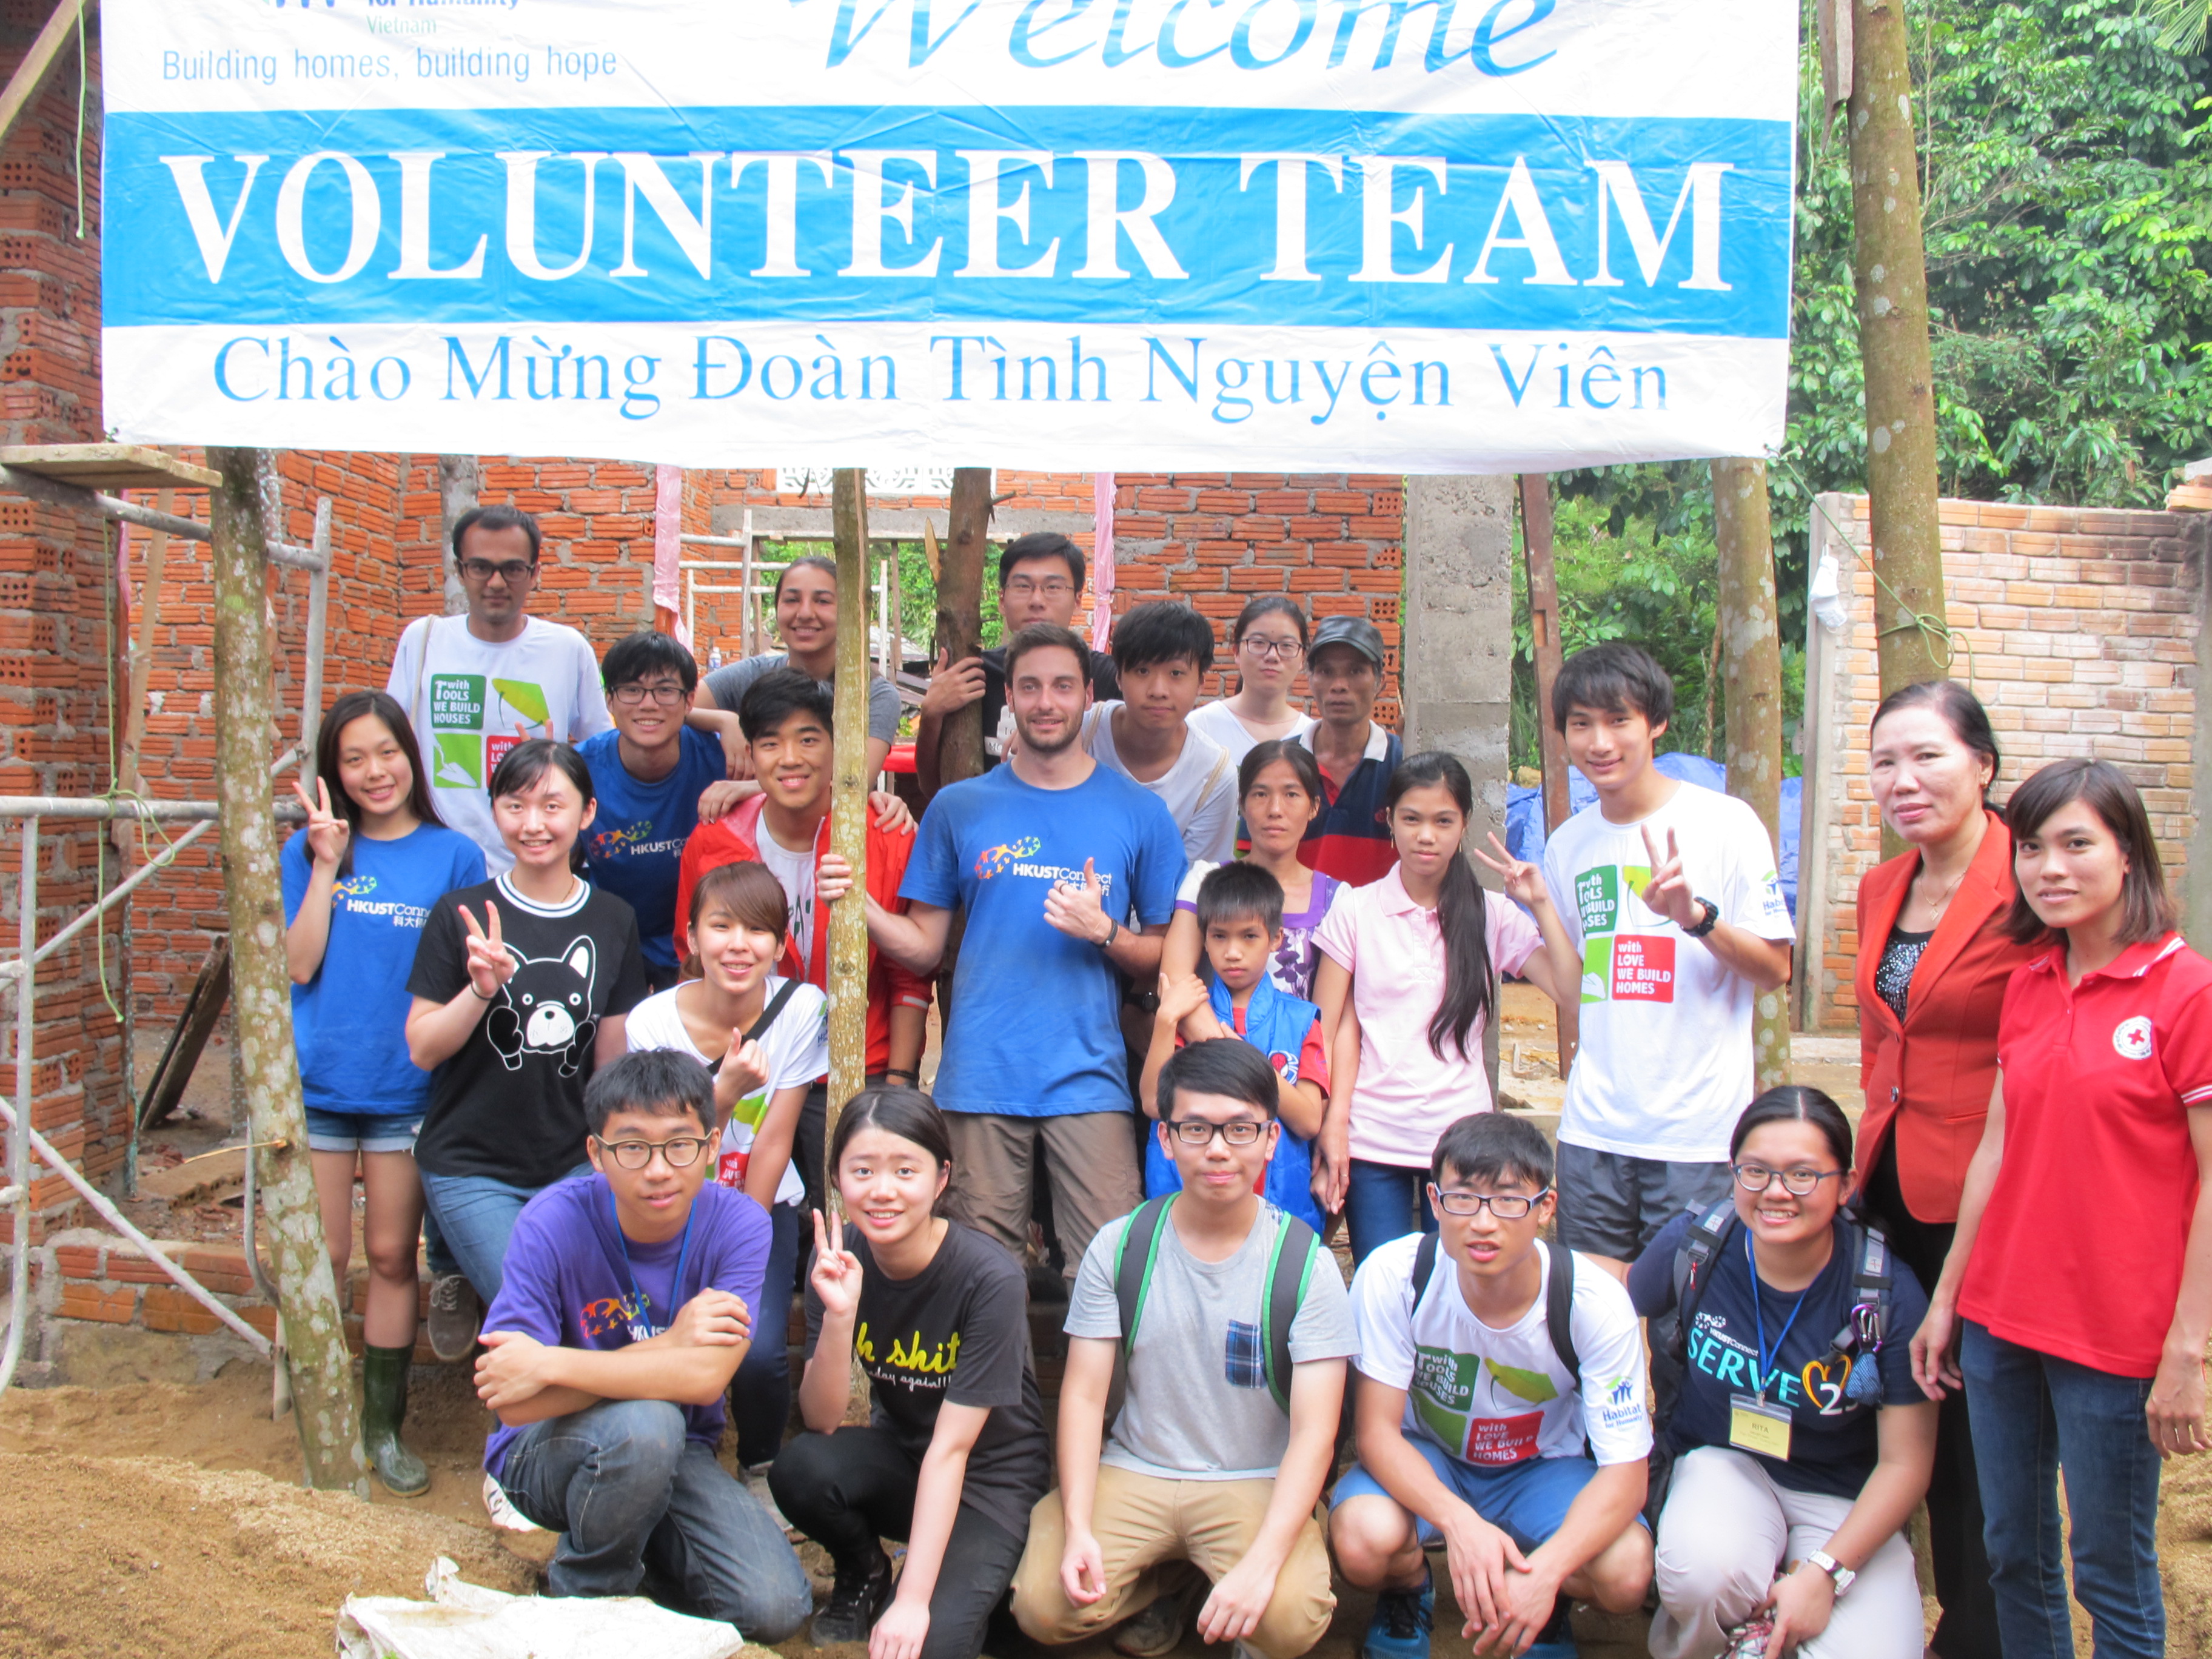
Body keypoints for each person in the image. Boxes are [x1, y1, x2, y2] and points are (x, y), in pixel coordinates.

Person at [1911, 758, 2212, 1659]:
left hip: (2116, 1335)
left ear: (2129, 855)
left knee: (2109, 1566)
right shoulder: (2032, 982)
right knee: (2012, 1551)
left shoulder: (2185, 990)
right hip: (2003, 1319)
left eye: (2077, 844)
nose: (2050, 868)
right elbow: (1996, 1151)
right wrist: (1947, 1300)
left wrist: (2188, 1349)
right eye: (2034, 847)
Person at [1011, 1039, 1352, 1659]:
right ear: (1166, 1139)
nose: (1218, 1148)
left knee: (1286, 1624)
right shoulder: (1120, 1246)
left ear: (1271, 1139)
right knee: (1042, 1606)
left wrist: (1263, 1564)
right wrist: (1081, 1526)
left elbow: (1314, 1434)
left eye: (1240, 1129)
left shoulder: (1305, 1263)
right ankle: (1172, 1580)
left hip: (1251, 1478)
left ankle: (1239, 1564)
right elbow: (1085, 1400)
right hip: (1137, 1468)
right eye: (1196, 1128)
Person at [868, 623, 1185, 1279]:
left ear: (1087, 695)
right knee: (986, 1278)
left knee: (1112, 1273)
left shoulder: (1139, 813)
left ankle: (1099, 1390)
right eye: (1031, 687)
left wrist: (1105, 932)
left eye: (1062, 686)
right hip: (980, 1074)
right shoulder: (959, 808)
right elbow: (925, 949)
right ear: (1009, 696)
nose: (1047, 702)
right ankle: (1000, 1391)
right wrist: (860, 908)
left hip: (1091, 1077)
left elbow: (1169, 958)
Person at [474, 1048, 813, 1641]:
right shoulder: (551, 1220)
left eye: (679, 1145)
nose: (658, 1169)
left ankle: (638, 1542)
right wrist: (672, 1346)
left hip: (676, 1451)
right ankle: (584, 1596)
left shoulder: (740, 1224)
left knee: (775, 1607)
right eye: (632, 1147)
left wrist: (550, 1363)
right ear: (596, 1155)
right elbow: (514, 1404)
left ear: (710, 1147)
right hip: (543, 1454)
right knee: (647, 1423)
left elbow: (704, 1381)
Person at [1628, 1087, 1935, 1659]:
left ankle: (1775, 1625)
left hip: (1843, 1498)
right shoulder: (1699, 1248)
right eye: (1756, 1171)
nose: (1774, 1192)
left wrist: (1825, 1574)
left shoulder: (1887, 1294)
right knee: (1702, 1573)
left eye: (1802, 1176)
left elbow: (1905, 1464)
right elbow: (1612, 1304)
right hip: (1726, 1466)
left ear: (1845, 1186)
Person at [1332, 1113, 1653, 1659]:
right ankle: (1410, 1590)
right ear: (1434, 1202)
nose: (1484, 1223)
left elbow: (1626, 1475)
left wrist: (1548, 1574)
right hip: (1433, 1460)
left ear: (1545, 1208)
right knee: (1363, 1541)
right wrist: (1459, 1524)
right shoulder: (1395, 1276)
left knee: (1625, 1574)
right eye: (1463, 1199)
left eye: (1509, 1201)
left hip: (1544, 1469)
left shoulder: (1591, 1300)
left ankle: (1538, 1602)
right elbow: (1376, 1434)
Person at [1851, 681, 2028, 1659]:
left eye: (1925, 756)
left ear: (1982, 764)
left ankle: (1979, 1631)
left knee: (1976, 1436)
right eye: (1884, 761)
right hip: (1887, 1189)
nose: (1902, 780)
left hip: (1990, 1197)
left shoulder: (2026, 884)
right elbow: (1886, 1045)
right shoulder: (1884, 885)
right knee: (1899, 1406)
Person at [281, 689, 484, 1496]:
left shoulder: (454, 856)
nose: (375, 771)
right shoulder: (313, 849)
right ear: (334, 770)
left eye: (387, 752)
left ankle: (383, 1429)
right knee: (323, 1258)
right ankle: (323, 1423)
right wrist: (327, 864)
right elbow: (298, 966)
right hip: (325, 1082)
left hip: (408, 1088)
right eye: (354, 758)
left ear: (412, 754)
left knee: (393, 1256)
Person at [770, 1088, 1052, 1659]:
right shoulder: (840, 1256)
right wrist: (839, 1317)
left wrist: (915, 1601)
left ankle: (973, 1593)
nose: (883, 1190)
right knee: (802, 1468)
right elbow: (822, 1418)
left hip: (989, 1482)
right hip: (904, 1459)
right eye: (863, 1170)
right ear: (837, 1176)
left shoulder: (988, 1277)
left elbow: (952, 1450)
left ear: (941, 1178)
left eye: (905, 1170)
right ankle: (865, 1572)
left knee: (927, 1644)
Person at [1538, 643, 1793, 1272]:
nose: (1599, 742)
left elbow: (1775, 970)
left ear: (1655, 723)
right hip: (1593, 1132)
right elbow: (1578, 989)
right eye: (1581, 724)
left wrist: (1695, 918)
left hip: (1696, 1136)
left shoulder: (1726, 824)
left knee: (1682, 1325)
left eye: (1619, 720)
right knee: (1593, 1326)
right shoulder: (1568, 845)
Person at [406, 739, 651, 1341]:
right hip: (471, 1167)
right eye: (515, 806)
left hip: (571, 1166)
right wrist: (481, 990)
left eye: (552, 805)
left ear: (587, 814)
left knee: (603, 1321)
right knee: (541, 1316)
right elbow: (423, 1048)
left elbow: (610, 1064)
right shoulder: (460, 914)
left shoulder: (613, 919)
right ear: (495, 812)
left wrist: (615, 1168)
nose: (534, 824)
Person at [672, 668, 931, 1215]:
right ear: (751, 752)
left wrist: (900, 1083)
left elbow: (909, 977)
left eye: (809, 740)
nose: (790, 758)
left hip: (855, 1067)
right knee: (742, 1226)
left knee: (850, 1229)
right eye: (770, 743)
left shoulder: (880, 834)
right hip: (745, 1068)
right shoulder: (716, 839)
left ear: (840, 747)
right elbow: (690, 960)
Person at [1312, 752, 1579, 1264]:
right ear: (1388, 821)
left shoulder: (1491, 914)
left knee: (1459, 1290)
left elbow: (1570, 991)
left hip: (1466, 1144)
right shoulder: (1356, 907)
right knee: (1382, 1284)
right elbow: (1326, 1029)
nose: (1426, 835)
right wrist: (1334, 1126)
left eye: (1443, 821)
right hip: (1374, 1141)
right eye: (1411, 819)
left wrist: (1540, 903)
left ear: (1464, 826)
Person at [626, 861, 828, 1486]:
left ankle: (761, 1469)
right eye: (721, 926)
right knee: (660, 1334)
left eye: (759, 930)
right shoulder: (651, 1023)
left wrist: (738, 1231)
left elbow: (775, 1139)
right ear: (690, 937)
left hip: (757, 1211)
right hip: (666, 1210)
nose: (740, 945)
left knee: (759, 1349)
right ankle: (676, 1460)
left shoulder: (801, 1008)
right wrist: (724, 1091)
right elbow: (660, 1142)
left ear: (780, 944)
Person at [386, 504, 612, 873]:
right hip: (435, 864)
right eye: (480, 567)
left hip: (531, 867)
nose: (495, 582)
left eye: (512, 569)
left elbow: (603, 753)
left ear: (534, 573)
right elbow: (391, 743)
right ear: (460, 570)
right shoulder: (423, 640)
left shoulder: (568, 649)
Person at [1138, 863, 1329, 1233]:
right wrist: (1165, 1021)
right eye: (1220, 937)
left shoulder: (1302, 1019)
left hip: (1278, 1212)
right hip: (1186, 1207)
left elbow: (1308, 1121)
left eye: (1249, 937)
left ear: (1277, 939)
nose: (1233, 952)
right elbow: (1152, 1104)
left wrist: (1240, 1057)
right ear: (1204, 940)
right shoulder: (1187, 1012)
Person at [576, 630, 740, 991]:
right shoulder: (579, 771)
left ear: (690, 700)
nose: (648, 704)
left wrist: (749, 783)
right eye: (632, 690)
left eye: (665, 691)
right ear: (609, 699)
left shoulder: (722, 759)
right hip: (610, 945)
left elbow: (793, 791)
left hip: (707, 950)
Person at [916, 530, 1122, 799]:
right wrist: (932, 714)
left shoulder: (1108, 676)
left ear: (1078, 601)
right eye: (1023, 587)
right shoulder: (973, 674)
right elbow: (932, 787)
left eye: (1053, 587)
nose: (1037, 601)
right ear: (1002, 600)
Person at [1161, 740, 1343, 1002]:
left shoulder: (1336, 899)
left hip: (1300, 1043)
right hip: (1211, 1039)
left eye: (1291, 794)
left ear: (1314, 807)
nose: (1275, 810)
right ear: (1242, 806)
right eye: (1260, 794)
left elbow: (1329, 1017)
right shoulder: (1204, 882)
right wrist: (1228, 1042)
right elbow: (1173, 982)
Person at [704, 554, 899, 780]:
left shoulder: (874, 695)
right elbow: (677, 708)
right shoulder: (752, 675)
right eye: (792, 600)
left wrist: (747, 789)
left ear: (851, 613)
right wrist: (725, 721)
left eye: (823, 601)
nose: (805, 613)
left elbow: (851, 784)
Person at [1081, 600, 1237, 864]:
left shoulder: (1214, 774)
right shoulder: (1082, 734)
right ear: (1118, 676)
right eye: (1143, 671)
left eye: (1176, 673)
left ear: (1201, 682)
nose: (1158, 690)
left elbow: (1193, 882)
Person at [1292, 615, 1401, 885]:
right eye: (1326, 671)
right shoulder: (1282, 765)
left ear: (1380, 681)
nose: (1339, 685)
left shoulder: (1403, 764)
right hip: (1297, 924)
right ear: (1310, 680)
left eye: (1355, 671)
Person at [1187, 597, 1316, 768]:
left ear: (1302, 658)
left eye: (1286, 645)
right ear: (1236, 652)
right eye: (1259, 643)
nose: (1272, 656)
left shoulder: (1312, 737)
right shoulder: (1198, 728)